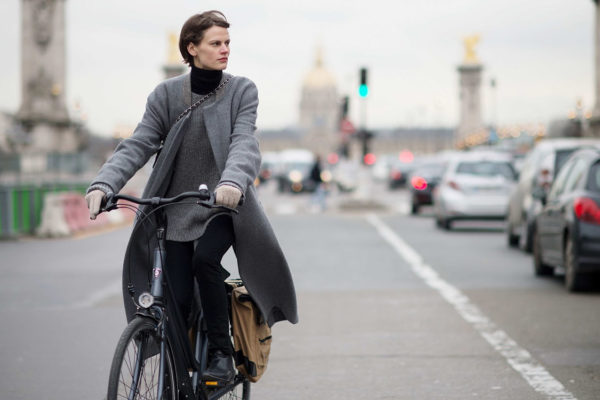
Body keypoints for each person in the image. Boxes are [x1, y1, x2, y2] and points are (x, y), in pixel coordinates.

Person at [85, 10, 298, 383]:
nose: (225, 49)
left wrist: (232, 183)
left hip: (222, 205)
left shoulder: (241, 91)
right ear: (192, 48)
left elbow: (244, 143)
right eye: (216, 43)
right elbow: (138, 143)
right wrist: (103, 184)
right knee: (176, 297)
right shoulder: (166, 95)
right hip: (174, 207)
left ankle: (220, 352)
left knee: (205, 261)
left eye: (227, 43)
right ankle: (176, 374)